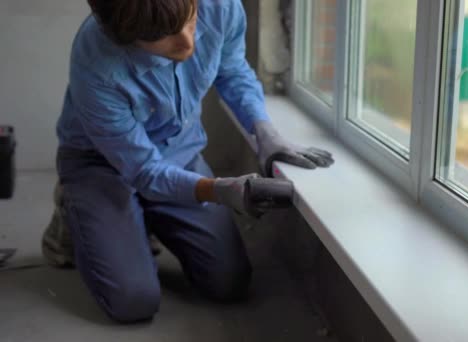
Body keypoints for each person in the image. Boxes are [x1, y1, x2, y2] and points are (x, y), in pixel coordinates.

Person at [41, 0, 333, 323]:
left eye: (191, 20)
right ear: (125, 36)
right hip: (100, 162)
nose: (188, 42)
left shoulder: (219, 5)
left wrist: (266, 134)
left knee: (229, 282)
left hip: (177, 150)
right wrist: (218, 190)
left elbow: (232, 69)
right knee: (133, 301)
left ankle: (136, 221)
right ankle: (77, 213)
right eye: (164, 36)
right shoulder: (97, 61)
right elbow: (143, 170)